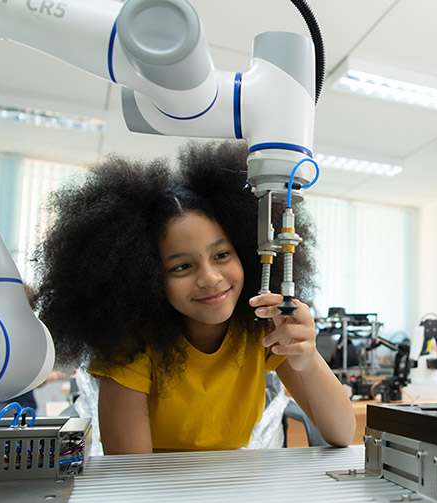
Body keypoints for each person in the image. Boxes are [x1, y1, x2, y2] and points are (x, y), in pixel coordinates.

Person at [34, 141, 355, 453]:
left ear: (246, 252)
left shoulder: (264, 330)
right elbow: (132, 478)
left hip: (233, 488)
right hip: (157, 495)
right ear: (147, 277)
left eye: (222, 255)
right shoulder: (131, 345)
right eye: (182, 266)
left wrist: (309, 359)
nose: (210, 279)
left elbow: (342, 434)